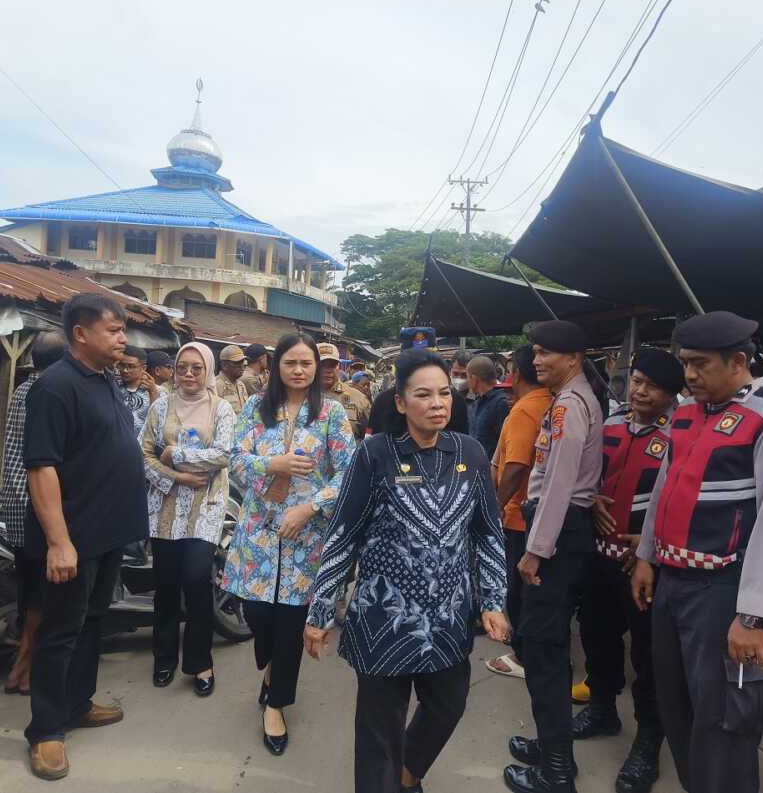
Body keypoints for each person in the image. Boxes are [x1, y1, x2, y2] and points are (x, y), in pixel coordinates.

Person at [303, 348, 510, 793]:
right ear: (400, 402)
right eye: (423, 394)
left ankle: (409, 771)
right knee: (379, 733)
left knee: (448, 706)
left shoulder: (470, 453)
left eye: (443, 394)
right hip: (384, 620)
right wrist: (320, 613)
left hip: (449, 622)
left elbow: (488, 533)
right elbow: (343, 534)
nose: (437, 403)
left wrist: (493, 600)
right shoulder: (374, 454)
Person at [630, 311, 763, 793]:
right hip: (672, 584)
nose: (688, 375)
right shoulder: (688, 413)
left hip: (723, 595)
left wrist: (753, 618)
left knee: (724, 722)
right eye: (685, 363)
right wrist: (647, 556)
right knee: (680, 711)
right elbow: (665, 489)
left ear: (738, 361)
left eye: (699, 364)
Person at [22, 293, 150, 780]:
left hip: (107, 533)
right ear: (81, 333)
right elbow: (42, 468)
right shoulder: (55, 388)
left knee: (94, 622)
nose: (123, 339)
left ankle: (78, 703)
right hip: (72, 538)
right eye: (114, 331)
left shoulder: (106, 380)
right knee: (59, 633)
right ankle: (46, 731)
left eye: (122, 331)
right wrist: (59, 541)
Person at [221, 333, 356, 756]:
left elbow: (348, 475)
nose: (299, 370)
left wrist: (311, 506)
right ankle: (272, 667)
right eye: (290, 363)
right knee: (258, 614)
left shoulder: (331, 414)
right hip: (259, 532)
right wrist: (271, 464)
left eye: (307, 363)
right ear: (277, 367)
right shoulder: (256, 409)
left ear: (317, 368)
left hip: (307, 537)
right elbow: (235, 459)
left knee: (293, 623)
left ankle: (277, 703)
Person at [574, 348, 684, 793]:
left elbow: (680, 500)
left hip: (644, 566)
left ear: (671, 393)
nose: (639, 391)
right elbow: (588, 476)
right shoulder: (611, 424)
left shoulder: (681, 434)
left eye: (651, 385)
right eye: (636, 381)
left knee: (647, 655)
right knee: (596, 636)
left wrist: (649, 549)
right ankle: (601, 708)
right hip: (599, 556)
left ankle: (647, 744)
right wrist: (592, 499)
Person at [505, 321, 604, 793]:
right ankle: (551, 745)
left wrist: (535, 551)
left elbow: (560, 486)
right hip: (560, 530)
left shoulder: (568, 406)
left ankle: (557, 771)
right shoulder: (570, 401)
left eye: (546, 353)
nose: (537, 360)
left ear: (573, 357)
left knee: (543, 649)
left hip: (557, 535)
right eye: (536, 353)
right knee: (543, 646)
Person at [141, 342, 235, 697]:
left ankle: (199, 662)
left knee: (196, 581)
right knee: (165, 586)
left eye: (197, 368)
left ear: (208, 370)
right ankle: (164, 657)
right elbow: (144, 453)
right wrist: (177, 475)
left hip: (206, 508)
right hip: (164, 507)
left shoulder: (222, 409)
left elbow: (223, 454)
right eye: (183, 368)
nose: (190, 374)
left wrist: (175, 453)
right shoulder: (160, 406)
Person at [0, 331, 67, 696]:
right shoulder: (48, 395)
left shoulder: (23, 391)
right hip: (37, 513)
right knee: (42, 598)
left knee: (30, 595)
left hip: (15, 507)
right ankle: (25, 669)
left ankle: (21, 668)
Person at [486, 344, 553, 681]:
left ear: (516, 372)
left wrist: (494, 505)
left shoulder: (527, 409)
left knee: (518, 591)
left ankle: (524, 656)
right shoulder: (546, 403)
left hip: (519, 515)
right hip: (535, 513)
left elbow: (515, 465)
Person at [319, 342, 371, 440]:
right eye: (323, 365)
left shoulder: (359, 398)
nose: (328, 370)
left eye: (332, 365)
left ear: (338, 366)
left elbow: (371, 428)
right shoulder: (299, 397)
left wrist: (366, 446)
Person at [468, 354, 512, 459]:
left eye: (467, 376)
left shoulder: (501, 403)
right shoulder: (477, 402)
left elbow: (505, 443)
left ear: (474, 379)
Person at [117, 345, 159, 434]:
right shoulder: (112, 387)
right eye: (122, 365)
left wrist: (153, 393)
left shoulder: (157, 391)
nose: (125, 370)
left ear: (143, 368)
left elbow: (159, 423)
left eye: (131, 366)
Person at [217, 344, 250, 413]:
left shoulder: (241, 385)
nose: (242, 365)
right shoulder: (216, 386)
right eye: (237, 362)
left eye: (242, 361)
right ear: (224, 365)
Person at [450, 349, 475, 425]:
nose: (459, 378)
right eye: (455, 374)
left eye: (464, 375)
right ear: (449, 372)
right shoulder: (443, 397)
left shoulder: (479, 400)